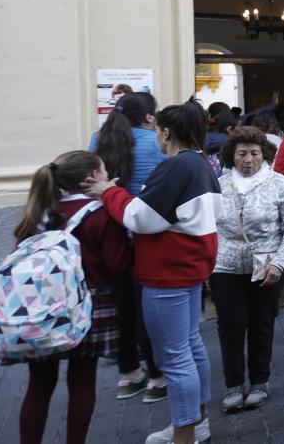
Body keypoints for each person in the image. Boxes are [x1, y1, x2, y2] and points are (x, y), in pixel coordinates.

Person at [83, 100, 221, 444]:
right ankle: (195, 423)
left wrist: (108, 192)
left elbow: (140, 219)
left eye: (157, 130)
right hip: (188, 269)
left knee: (174, 358)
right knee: (190, 347)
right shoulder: (199, 164)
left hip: (167, 272)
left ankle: (185, 434)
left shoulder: (176, 167)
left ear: (166, 132)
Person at [10, 151, 131, 444]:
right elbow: (117, 264)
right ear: (92, 177)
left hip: (40, 307)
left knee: (38, 385)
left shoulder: (38, 213)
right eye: (103, 171)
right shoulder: (100, 213)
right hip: (87, 304)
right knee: (81, 381)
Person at [211, 127, 284, 413]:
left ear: (264, 155)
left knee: (262, 323)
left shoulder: (279, 183)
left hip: (267, 265)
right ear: (231, 156)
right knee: (231, 325)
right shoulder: (219, 184)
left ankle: (260, 380)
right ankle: (234, 384)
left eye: (254, 153)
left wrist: (279, 262)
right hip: (225, 266)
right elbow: (207, 225)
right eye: (241, 154)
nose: (248, 160)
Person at [87, 92, 168, 401]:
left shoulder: (98, 140)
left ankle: (128, 374)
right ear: (149, 117)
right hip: (143, 237)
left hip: (108, 238)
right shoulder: (152, 143)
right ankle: (157, 377)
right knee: (146, 310)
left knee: (120, 308)